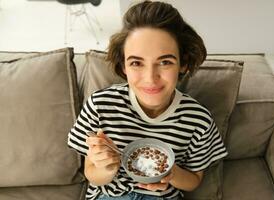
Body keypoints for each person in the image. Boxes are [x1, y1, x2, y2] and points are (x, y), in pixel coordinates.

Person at [67, 1, 228, 200]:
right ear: (124, 66)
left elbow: (194, 179)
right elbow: (91, 174)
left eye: (165, 62)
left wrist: (172, 174)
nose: (150, 78)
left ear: (183, 64)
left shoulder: (198, 120)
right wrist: (107, 168)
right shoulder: (100, 106)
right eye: (136, 63)